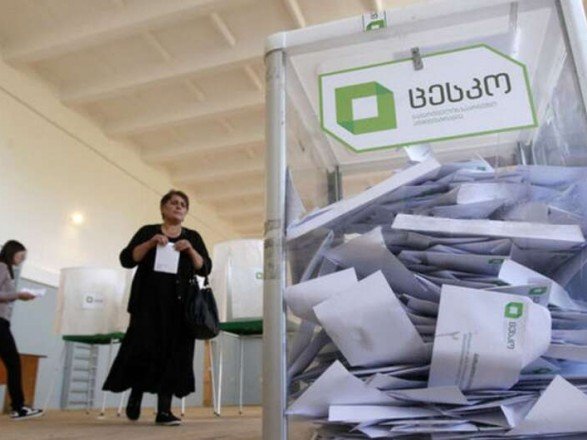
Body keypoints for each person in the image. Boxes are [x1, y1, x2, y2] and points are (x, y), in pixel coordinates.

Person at [103, 190, 212, 426]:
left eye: (183, 204)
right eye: (174, 203)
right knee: (142, 349)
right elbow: (127, 259)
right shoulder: (148, 231)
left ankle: (164, 411)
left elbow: (204, 268)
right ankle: (136, 394)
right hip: (147, 304)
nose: (179, 206)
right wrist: (151, 243)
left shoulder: (192, 236)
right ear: (163, 208)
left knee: (174, 355)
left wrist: (190, 249)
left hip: (180, 307)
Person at [0, 240, 44, 420]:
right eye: (21, 256)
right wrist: (18, 295)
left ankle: (18, 406)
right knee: (13, 363)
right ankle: (18, 407)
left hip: (3, 322)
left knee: (12, 363)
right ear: (12, 252)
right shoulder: (2, 267)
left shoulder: (6, 268)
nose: (22, 260)